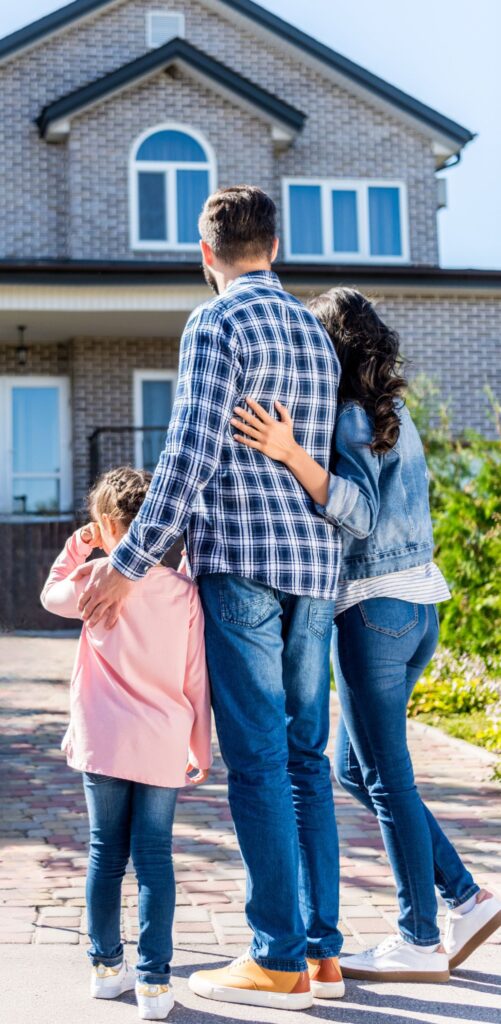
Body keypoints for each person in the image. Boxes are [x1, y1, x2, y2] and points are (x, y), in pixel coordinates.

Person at [72, 186, 345, 1011]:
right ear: (275, 247)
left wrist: (127, 558)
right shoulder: (316, 335)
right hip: (317, 571)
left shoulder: (216, 321)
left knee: (259, 764)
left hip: (247, 571)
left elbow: (188, 451)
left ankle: (274, 959)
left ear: (205, 256)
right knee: (306, 763)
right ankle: (319, 952)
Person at [231, 286, 501, 983]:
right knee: (359, 770)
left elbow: (356, 509)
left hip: (374, 610)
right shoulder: (394, 413)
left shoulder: (350, 417)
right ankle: (465, 897)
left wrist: (290, 453)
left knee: (385, 777)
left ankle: (417, 938)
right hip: (416, 608)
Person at [41, 467, 211, 1021]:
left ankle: (106, 967)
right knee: (155, 858)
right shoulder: (183, 592)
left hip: (105, 740)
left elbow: (49, 595)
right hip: (162, 741)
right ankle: (156, 984)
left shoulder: (93, 577)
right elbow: (195, 679)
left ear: (109, 524)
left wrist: (80, 544)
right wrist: (199, 748)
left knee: (105, 852)